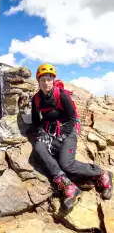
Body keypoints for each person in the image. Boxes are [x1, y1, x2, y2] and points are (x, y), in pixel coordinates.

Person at [32, 63, 113, 211]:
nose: (46, 83)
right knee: (39, 147)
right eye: (42, 79)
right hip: (50, 130)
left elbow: (72, 118)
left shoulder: (60, 94)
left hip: (68, 130)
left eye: (49, 79)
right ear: (38, 82)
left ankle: (102, 174)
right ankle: (69, 187)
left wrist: (60, 138)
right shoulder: (36, 99)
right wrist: (41, 131)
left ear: (53, 80)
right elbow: (36, 121)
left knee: (66, 164)